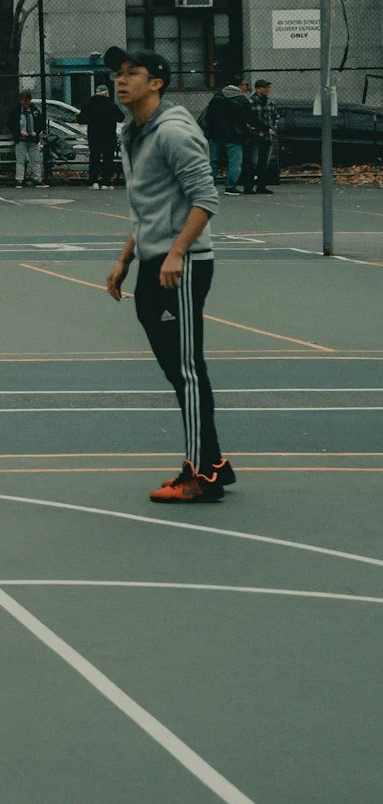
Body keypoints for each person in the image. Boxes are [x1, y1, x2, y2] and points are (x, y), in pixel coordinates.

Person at [102, 45, 232, 505]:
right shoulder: (133, 131)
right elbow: (149, 204)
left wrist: (177, 253)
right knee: (176, 369)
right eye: (118, 74)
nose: (120, 80)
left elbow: (206, 199)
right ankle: (214, 461)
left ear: (156, 83)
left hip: (184, 263)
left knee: (187, 369)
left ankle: (200, 475)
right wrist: (126, 258)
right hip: (154, 260)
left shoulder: (174, 131)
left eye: (131, 73)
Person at [202, 83, 251, 195]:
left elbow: (208, 116)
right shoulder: (242, 99)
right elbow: (247, 117)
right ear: (240, 86)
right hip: (234, 135)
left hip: (215, 134)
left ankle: (209, 186)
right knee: (234, 162)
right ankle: (230, 187)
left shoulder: (217, 97)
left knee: (213, 161)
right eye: (245, 85)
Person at [80, 86, 122, 188]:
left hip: (94, 136)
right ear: (106, 93)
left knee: (94, 158)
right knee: (108, 159)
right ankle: (106, 182)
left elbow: (81, 119)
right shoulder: (110, 104)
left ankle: (93, 181)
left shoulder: (90, 104)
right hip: (109, 136)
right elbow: (121, 117)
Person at [244, 80, 281, 194]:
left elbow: (275, 117)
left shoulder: (270, 102)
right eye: (264, 87)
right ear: (257, 89)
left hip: (267, 137)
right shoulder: (250, 102)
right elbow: (247, 119)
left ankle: (261, 186)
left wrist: (273, 128)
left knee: (264, 163)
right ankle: (249, 187)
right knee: (252, 162)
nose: (267, 90)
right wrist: (252, 131)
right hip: (254, 136)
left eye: (268, 87)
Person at [13, 89, 44, 188]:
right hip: (21, 139)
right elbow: (11, 124)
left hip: (33, 139)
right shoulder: (17, 111)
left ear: (30, 100)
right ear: (20, 100)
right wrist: (19, 131)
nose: (25, 102)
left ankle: (38, 178)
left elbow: (41, 123)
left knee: (36, 159)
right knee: (20, 160)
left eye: (27, 100)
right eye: (23, 100)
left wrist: (36, 132)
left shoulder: (35, 110)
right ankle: (19, 179)